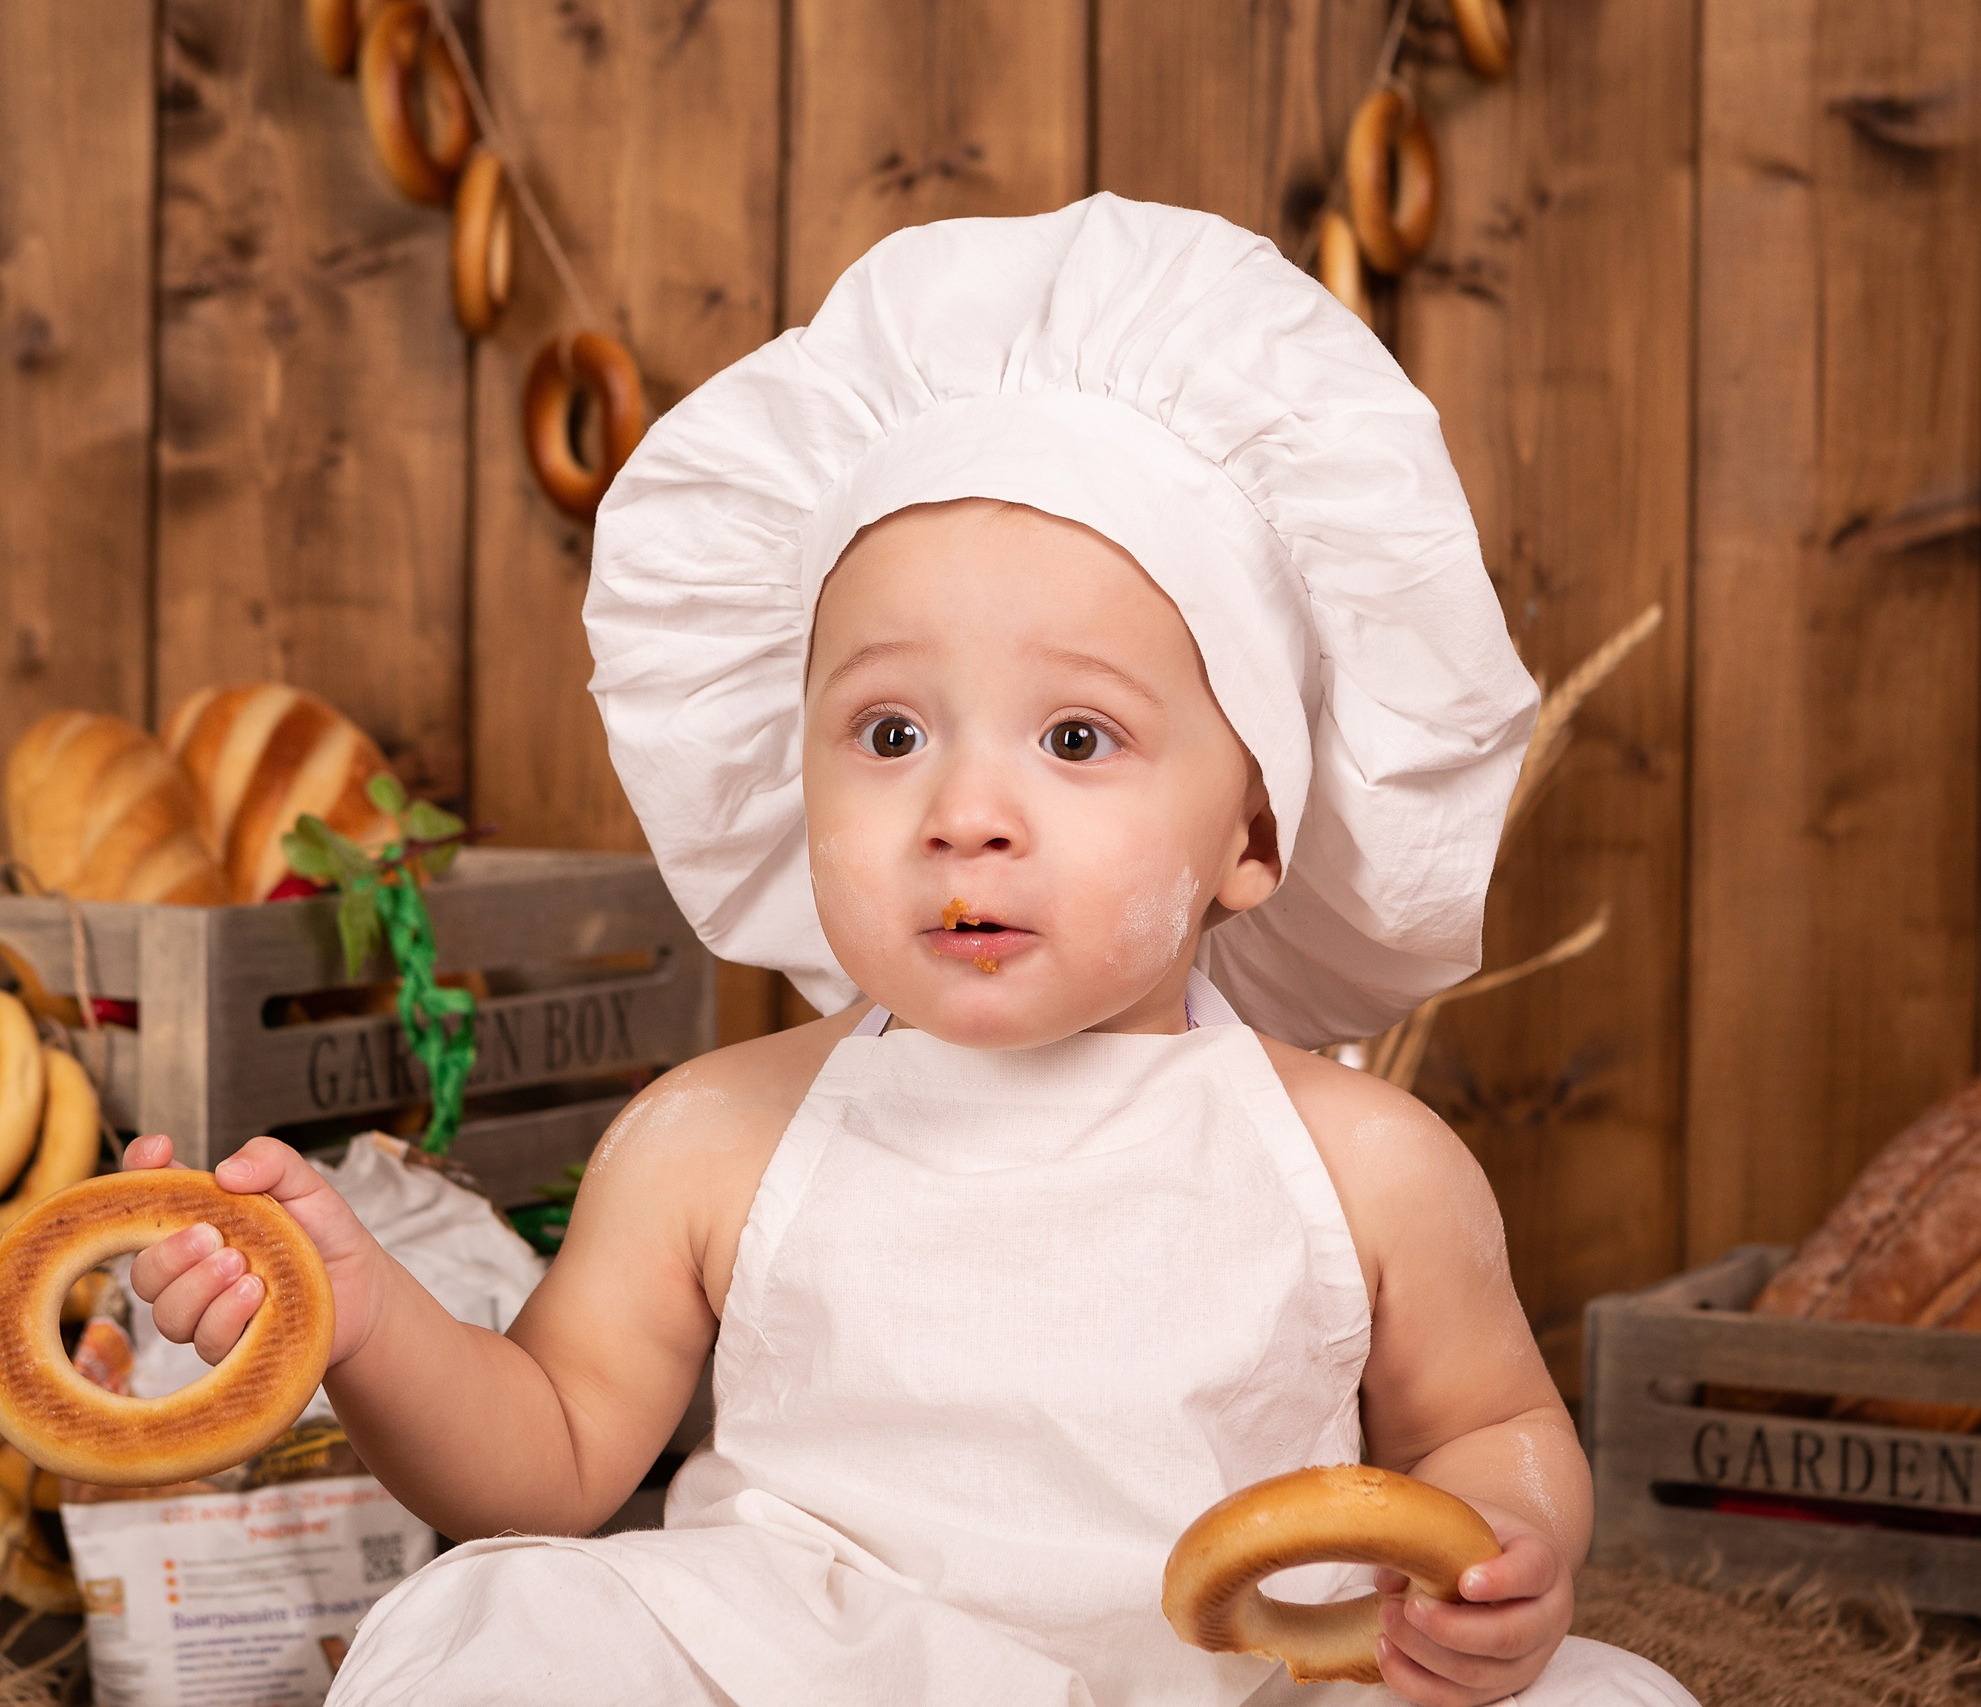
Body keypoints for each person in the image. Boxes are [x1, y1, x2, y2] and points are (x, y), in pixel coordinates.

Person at [125, 195, 1696, 1707]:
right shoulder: (709, 1137)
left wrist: (1507, 1557)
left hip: (1238, 1682)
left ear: (1254, 837)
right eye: (889, 732)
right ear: (789, 767)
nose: (965, 812)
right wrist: (360, 1321)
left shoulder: (1364, 1161)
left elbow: (1490, 1424)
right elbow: (539, 1461)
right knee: (509, 1621)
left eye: (1078, 736)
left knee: (1601, 1699)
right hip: (818, 1669)